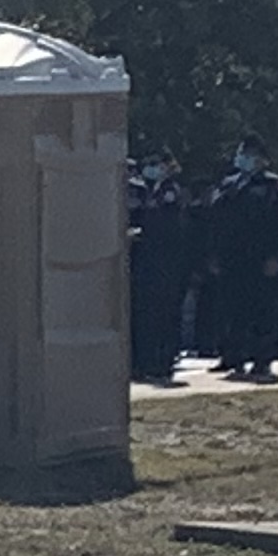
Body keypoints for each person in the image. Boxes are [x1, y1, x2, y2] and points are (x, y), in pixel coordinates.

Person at [205, 138, 278, 379]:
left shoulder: (273, 187)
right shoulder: (228, 184)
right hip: (232, 258)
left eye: (250, 155)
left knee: (262, 309)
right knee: (232, 308)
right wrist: (214, 254)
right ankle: (232, 356)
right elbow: (216, 222)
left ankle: (262, 359)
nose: (243, 158)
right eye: (242, 153)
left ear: (262, 159)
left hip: (261, 258)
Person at [127, 155, 188, 385]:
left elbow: (166, 228)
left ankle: (162, 363)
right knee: (146, 315)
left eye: (158, 166)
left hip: (165, 266)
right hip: (149, 266)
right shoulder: (151, 191)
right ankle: (147, 362)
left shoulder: (170, 192)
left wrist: (142, 235)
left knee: (163, 315)